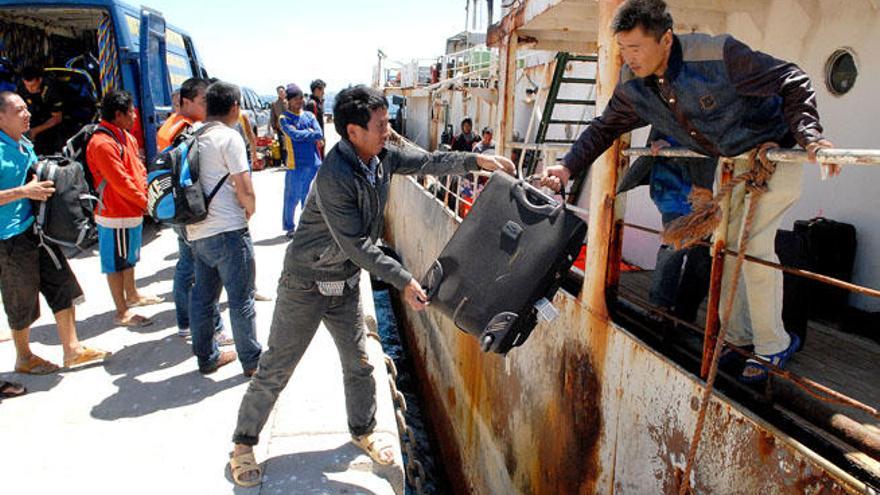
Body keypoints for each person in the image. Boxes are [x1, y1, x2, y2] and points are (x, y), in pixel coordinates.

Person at [227, 85, 516, 487]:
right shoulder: (334, 176)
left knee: (360, 365)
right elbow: (358, 245)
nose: (388, 131)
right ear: (353, 131)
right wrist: (404, 281)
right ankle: (243, 444)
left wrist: (477, 161)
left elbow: (427, 161)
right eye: (380, 126)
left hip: (343, 283)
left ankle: (362, 430)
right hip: (306, 284)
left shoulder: (380, 158)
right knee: (277, 365)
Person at [540, 0, 839, 383]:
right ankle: (739, 339)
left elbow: (792, 79)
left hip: (774, 151)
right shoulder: (634, 85)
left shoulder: (718, 55)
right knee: (727, 249)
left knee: (756, 248)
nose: (629, 58)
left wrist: (812, 140)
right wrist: (567, 167)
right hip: (733, 163)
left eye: (636, 48)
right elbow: (604, 127)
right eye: (623, 49)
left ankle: (772, 345)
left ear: (666, 39)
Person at [0, 91, 109, 374]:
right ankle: (24, 357)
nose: (28, 114)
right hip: (9, 239)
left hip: (38, 230)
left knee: (62, 286)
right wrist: (24, 191)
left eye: (27, 108)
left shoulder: (23, 143)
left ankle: (72, 350)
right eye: (19, 110)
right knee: (20, 299)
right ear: (1, 117)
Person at [185, 81, 261, 376]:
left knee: (203, 298)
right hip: (229, 230)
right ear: (234, 108)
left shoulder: (193, 134)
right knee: (241, 298)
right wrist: (250, 209)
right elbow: (243, 186)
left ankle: (207, 358)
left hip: (197, 230)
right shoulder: (229, 138)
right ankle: (253, 362)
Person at [617, 132, 714, 324]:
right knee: (675, 247)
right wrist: (667, 144)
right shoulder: (669, 112)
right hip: (677, 194)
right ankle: (661, 307)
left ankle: (681, 312)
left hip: (701, 195)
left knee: (701, 256)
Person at [86, 90, 163, 328]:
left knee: (129, 257)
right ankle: (121, 310)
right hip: (114, 213)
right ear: (118, 115)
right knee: (116, 263)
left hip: (131, 210)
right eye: (130, 112)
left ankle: (133, 294)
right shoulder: (101, 143)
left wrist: (146, 197)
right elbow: (120, 182)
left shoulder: (125, 136)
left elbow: (138, 171)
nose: (135, 116)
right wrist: (145, 203)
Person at [279, 83, 323, 237]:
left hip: (314, 163)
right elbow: (294, 135)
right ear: (289, 101)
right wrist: (309, 133)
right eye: (296, 99)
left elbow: (319, 133)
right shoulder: (284, 118)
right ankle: (289, 227)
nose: (300, 101)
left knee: (310, 198)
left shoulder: (309, 116)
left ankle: (308, 227)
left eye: (301, 98)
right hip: (295, 164)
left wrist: (306, 133)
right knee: (292, 198)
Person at [18, 66, 64, 156]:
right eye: (26, 85)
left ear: (40, 80)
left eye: (33, 86)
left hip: (50, 122)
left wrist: (34, 131)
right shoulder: (21, 87)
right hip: (33, 117)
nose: (29, 89)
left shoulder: (51, 90)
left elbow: (57, 118)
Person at [306, 79, 327, 158]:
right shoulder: (312, 104)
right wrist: (318, 138)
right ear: (316, 90)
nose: (323, 93)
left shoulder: (318, 103)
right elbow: (310, 125)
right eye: (322, 90)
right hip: (316, 140)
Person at [269, 85, 287, 166]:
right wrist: (274, 127)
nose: (281, 93)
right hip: (280, 127)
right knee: (282, 143)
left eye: (282, 91)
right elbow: (273, 116)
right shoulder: (275, 104)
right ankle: (284, 160)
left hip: (290, 126)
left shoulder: (289, 102)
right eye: (279, 92)